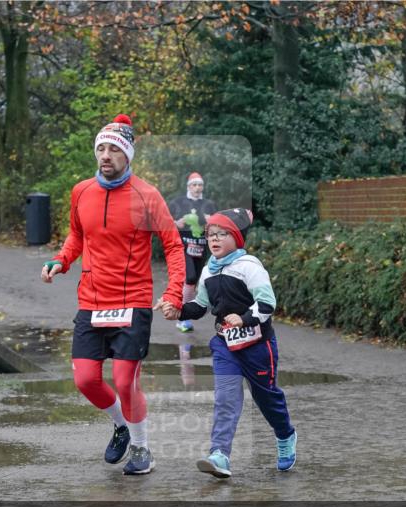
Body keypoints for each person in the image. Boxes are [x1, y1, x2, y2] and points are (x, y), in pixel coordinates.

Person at [41, 113, 186, 475]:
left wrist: (174, 293)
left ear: (128, 155)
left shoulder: (147, 195)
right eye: (101, 148)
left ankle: (141, 448)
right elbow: (77, 235)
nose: (105, 155)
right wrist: (61, 260)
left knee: (124, 380)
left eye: (114, 149)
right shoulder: (81, 191)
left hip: (133, 301)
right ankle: (121, 424)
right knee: (85, 380)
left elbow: (173, 245)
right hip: (91, 301)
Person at [161, 208, 296, 479]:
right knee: (226, 399)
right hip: (225, 345)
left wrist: (243, 319)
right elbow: (201, 306)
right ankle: (219, 454)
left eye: (222, 234)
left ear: (236, 238)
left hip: (258, 346)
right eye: (211, 234)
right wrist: (178, 310)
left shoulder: (249, 267)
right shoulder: (208, 272)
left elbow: (267, 303)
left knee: (267, 399)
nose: (214, 239)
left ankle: (285, 436)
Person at [166, 172, 218, 333]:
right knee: (190, 278)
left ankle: (184, 312)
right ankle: (182, 316)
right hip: (183, 246)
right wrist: (176, 223)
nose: (197, 188)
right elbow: (164, 221)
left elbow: (218, 225)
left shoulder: (209, 204)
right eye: (194, 185)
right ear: (189, 186)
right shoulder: (178, 202)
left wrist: (211, 221)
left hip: (201, 247)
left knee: (193, 282)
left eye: (200, 185)